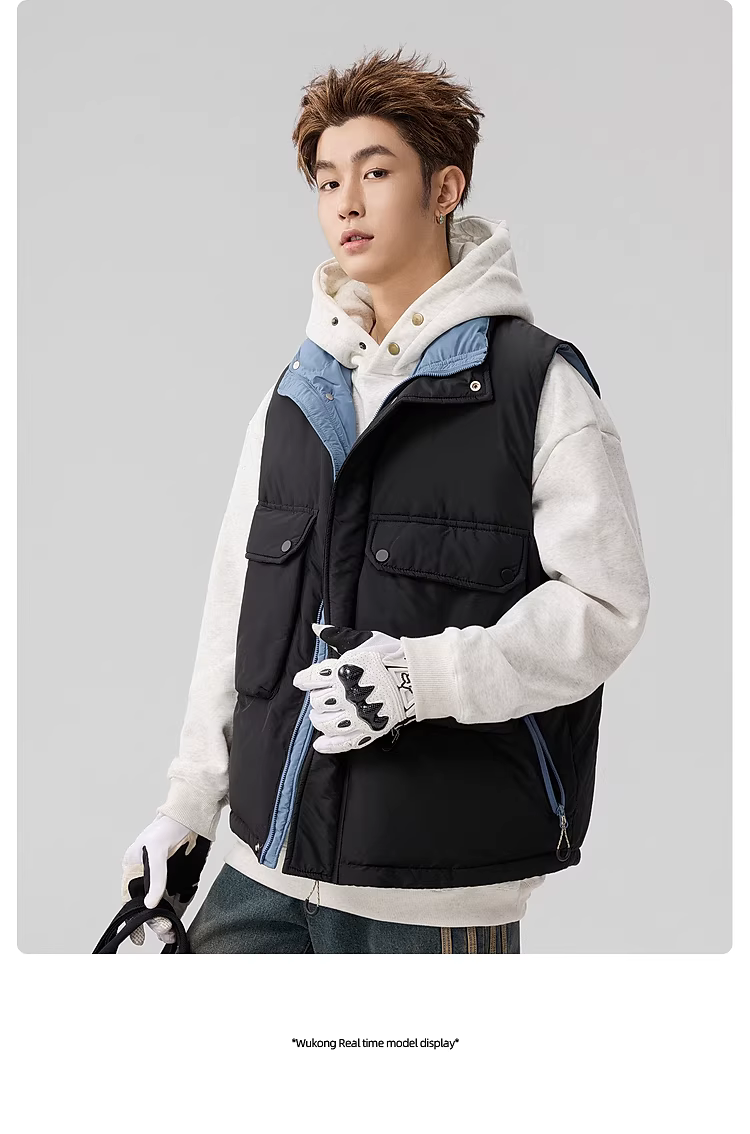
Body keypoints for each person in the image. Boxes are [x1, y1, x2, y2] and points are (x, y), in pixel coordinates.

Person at [120, 47, 650, 954]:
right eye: (329, 181)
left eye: (374, 173)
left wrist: (424, 679)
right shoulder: (295, 397)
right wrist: (188, 807)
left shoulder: (537, 388)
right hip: (260, 873)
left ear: (445, 189)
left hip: (435, 896)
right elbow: (234, 615)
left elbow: (605, 608)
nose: (347, 205)